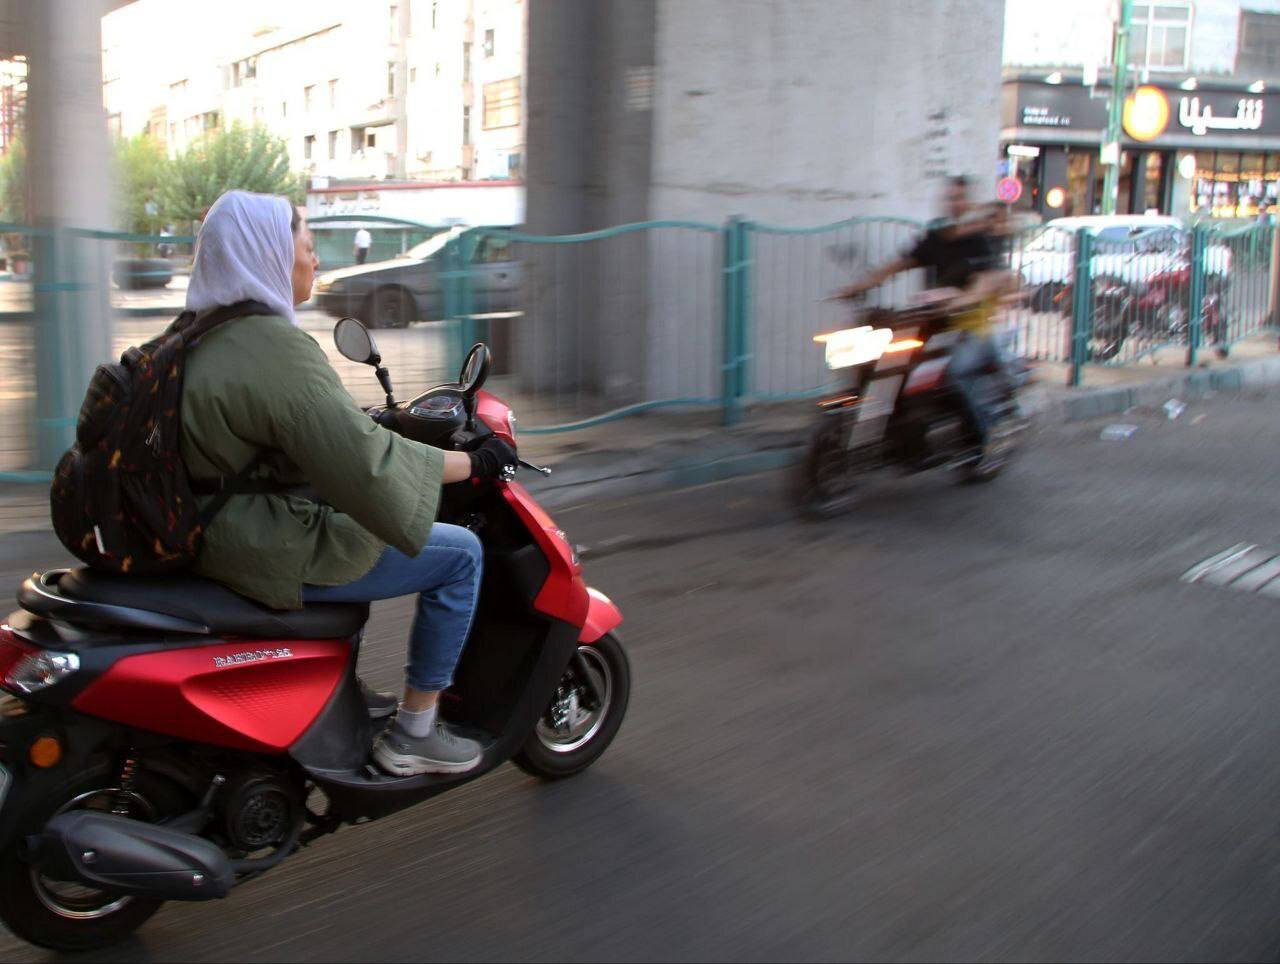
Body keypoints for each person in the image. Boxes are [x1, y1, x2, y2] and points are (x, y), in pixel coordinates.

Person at [181, 190, 517, 776]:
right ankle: (414, 733)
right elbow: (368, 467)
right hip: (253, 545)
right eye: (308, 246)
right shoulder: (272, 347)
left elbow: (287, 430)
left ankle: (338, 692)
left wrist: (367, 423)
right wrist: (478, 463)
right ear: (269, 255)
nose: (315, 261)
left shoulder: (193, 334)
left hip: (204, 529)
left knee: (350, 524)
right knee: (460, 554)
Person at [837, 175, 1014, 465]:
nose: (955, 203)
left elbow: (984, 284)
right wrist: (859, 287)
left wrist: (961, 300)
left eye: (961, 197)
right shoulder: (936, 239)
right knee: (886, 364)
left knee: (954, 374)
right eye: (951, 197)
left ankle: (985, 440)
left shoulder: (980, 243)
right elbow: (897, 265)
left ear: (970, 203)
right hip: (933, 327)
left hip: (971, 329)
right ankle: (898, 432)